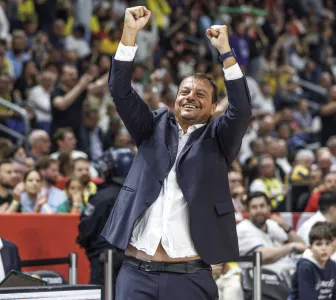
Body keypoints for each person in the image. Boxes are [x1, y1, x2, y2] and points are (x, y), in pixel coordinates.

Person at [101, 6, 251, 299]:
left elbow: (242, 109)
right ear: (175, 99)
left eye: (200, 95)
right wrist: (130, 33)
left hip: (190, 276)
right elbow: (119, 89)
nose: (190, 97)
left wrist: (226, 53)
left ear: (212, 108)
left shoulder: (219, 137)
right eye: (184, 92)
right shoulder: (151, 125)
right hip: (136, 272)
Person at [78, 148, 135, 290]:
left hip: (106, 262)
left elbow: (86, 230)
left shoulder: (102, 197)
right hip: (136, 262)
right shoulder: (143, 195)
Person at [289, 222, 336, 300]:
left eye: (327, 243)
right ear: (310, 247)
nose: (324, 248)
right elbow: (306, 297)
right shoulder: (305, 267)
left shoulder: (333, 266)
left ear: (332, 246)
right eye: (319, 244)